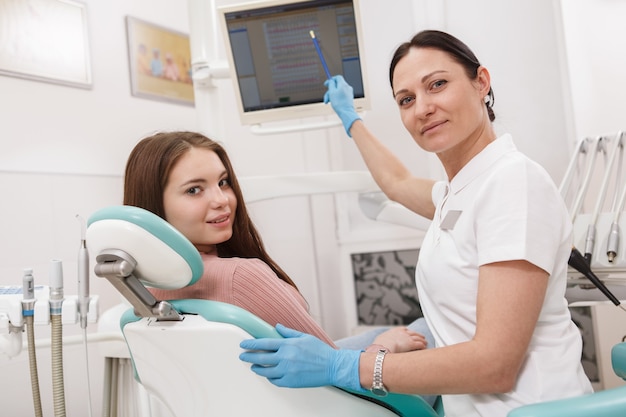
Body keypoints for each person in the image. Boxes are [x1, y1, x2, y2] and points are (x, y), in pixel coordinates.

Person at [239, 30, 593, 417]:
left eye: (437, 84)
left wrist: (344, 366)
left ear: (481, 83)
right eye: (406, 100)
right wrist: (350, 118)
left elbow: (495, 365)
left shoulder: (512, 184)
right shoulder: (459, 191)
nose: (422, 108)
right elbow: (397, 183)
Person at [123, 131, 436, 394]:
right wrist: (384, 348)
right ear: (155, 206)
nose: (221, 200)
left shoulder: (146, 291)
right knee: (428, 330)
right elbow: (335, 374)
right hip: (328, 403)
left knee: (389, 330)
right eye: (194, 190)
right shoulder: (240, 276)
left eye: (223, 182)